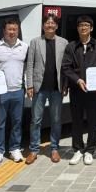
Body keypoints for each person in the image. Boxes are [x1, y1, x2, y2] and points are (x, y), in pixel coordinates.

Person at [62, 15, 96, 165]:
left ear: (91, 28)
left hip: (93, 90)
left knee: (93, 120)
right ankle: (78, 149)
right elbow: (66, 67)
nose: (84, 27)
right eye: (81, 25)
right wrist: (77, 79)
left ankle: (90, 150)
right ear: (77, 28)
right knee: (76, 120)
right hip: (76, 89)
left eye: (87, 25)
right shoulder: (71, 46)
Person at [24, 14, 68, 165]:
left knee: (56, 119)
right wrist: (29, 85)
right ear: (43, 26)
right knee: (36, 120)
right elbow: (30, 65)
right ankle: (34, 150)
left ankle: (54, 148)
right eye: (47, 23)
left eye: (52, 23)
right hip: (39, 87)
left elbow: (65, 67)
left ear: (56, 26)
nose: (50, 25)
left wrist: (65, 85)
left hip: (57, 87)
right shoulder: (35, 42)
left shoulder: (63, 42)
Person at [0, 17, 29, 165]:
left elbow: (28, 68)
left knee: (17, 122)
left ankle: (15, 148)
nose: (12, 32)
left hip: (18, 90)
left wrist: (28, 86)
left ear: (18, 31)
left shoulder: (24, 47)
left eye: (15, 29)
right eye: (9, 29)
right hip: (1, 91)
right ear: (4, 31)